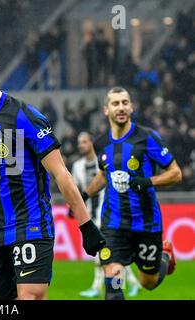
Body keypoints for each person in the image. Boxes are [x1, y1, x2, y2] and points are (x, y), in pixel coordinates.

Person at [0, 45, 106, 300]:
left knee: (29, 296)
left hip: (29, 225)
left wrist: (86, 225)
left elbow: (61, 174)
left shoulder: (25, 117)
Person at [82, 87, 182, 300]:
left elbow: (176, 173)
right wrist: (85, 194)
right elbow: (103, 175)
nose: (121, 107)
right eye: (115, 103)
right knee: (113, 279)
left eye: (125, 103)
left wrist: (147, 181)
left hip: (146, 224)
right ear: (106, 110)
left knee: (149, 283)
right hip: (114, 224)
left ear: (132, 107)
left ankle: (165, 256)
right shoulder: (100, 143)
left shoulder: (147, 138)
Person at [69, 132, 141, 298]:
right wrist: (73, 205)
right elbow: (75, 188)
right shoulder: (77, 166)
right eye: (79, 142)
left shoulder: (104, 161)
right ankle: (134, 283)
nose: (81, 145)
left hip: (108, 212)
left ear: (92, 143)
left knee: (105, 252)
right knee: (112, 254)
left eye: (84, 142)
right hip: (89, 214)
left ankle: (96, 287)